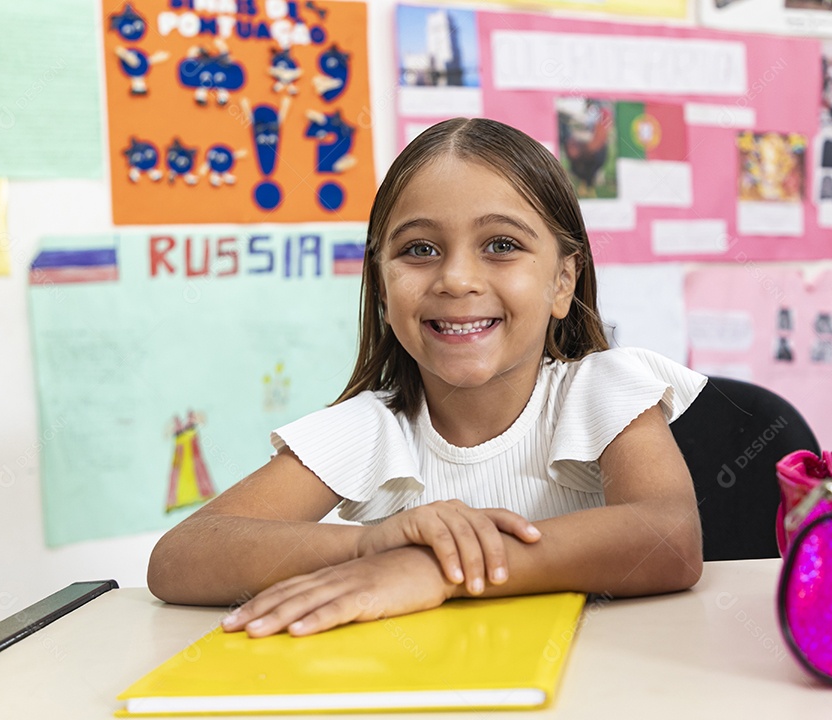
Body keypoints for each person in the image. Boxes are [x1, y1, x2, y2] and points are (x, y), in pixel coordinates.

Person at [146, 117, 707, 638]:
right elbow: (180, 557)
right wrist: (373, 546)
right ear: (384, 290)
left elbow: (669, 537)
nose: (457, 279)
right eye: (419, 250)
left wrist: (438, 569)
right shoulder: (372, 428)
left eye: (501, 246)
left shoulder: (604, 388)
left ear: (563, 280)